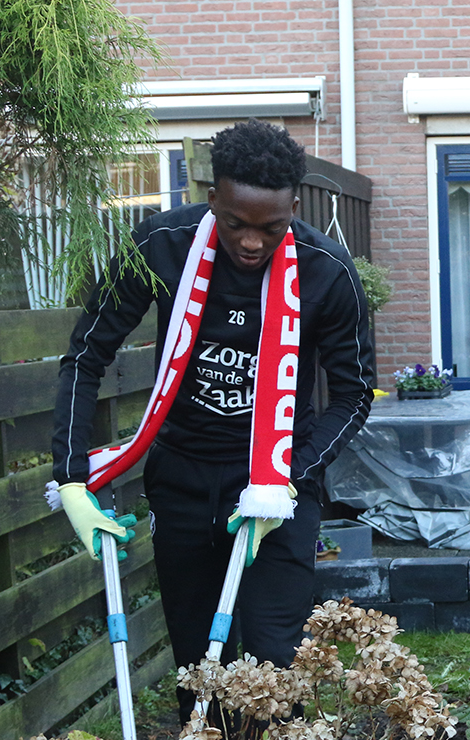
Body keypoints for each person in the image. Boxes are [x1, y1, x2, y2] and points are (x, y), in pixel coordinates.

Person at [50, 119, 376, 723]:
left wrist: (284, 482)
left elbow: (354, 394)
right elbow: (87, 355)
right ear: (211, 201)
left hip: (279, 480)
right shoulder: (162, 245)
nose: (252, 243)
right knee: (200, 669)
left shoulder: (325, 269)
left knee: (277, 662)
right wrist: (72, 478)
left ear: (294, 209)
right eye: (236, 224)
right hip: (182, 478)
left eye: (270, 228)